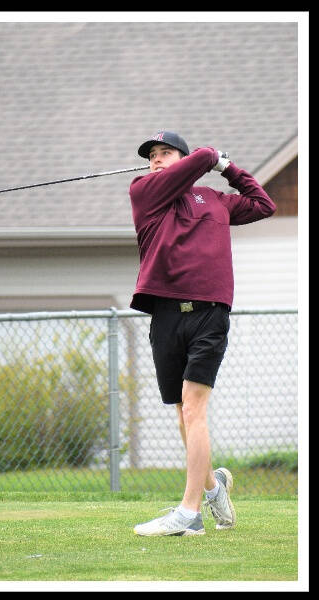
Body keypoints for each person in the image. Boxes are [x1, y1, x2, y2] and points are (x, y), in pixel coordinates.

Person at [129, 131, 276, 536]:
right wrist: (211, 157)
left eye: (165, 153)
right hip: (165, 312)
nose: (157, 160)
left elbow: (264, 204)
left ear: (183, 157)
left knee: (194, 409)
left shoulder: (215, 201)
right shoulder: (144, 191)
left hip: (209, 311)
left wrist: (228, 170)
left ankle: (189, 514)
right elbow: (206, 155)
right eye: (152, 155)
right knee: (182, 411)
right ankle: (214, 488)